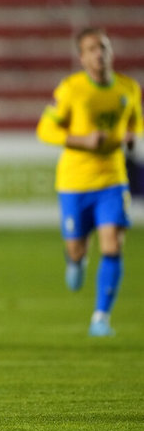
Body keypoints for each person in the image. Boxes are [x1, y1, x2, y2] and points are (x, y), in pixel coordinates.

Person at [37, 27, 142, 336]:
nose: (100, 54)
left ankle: (100, 318)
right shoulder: (70, 90)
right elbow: (45, 130)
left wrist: (132, 135)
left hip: (112, 179)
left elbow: (135, 120)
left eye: (104, 47)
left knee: (113, 245)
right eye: (93, 49)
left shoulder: (128, 88)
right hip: (75, 182)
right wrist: (81, 139)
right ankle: (75, 261)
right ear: (81, 57)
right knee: (77, 249)